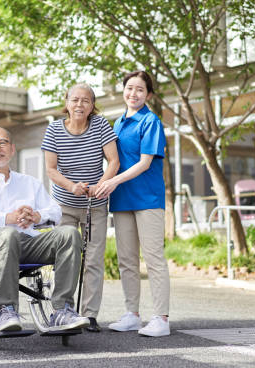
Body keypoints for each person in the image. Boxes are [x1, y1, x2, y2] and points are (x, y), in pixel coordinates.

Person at [0, 127, 90, 332]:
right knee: (9, 233)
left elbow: (55, 211)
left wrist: (36, 216)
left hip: (28, 242)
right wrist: (6, 218)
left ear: (12, 149)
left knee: (69, 233)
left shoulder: (29, 182)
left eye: (2, 143)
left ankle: (62, 310)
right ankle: (5, 309)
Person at [95, 71, 171, 337]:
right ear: (123, 91)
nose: (133, 94)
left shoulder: (151, 121)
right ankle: (132, 314)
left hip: (147, 198)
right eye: (129, 88)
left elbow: (145, 162)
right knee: (127, 260)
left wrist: (113, 181)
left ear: (148, 95)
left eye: (140, 90)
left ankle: (161, 318)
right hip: (121, 199)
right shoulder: (116, 124)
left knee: (153, 259)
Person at [41, 83, 119, 332]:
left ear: (92, 106)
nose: (79, 105)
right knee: (65, 258)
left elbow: (113, 161)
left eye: (86, 101)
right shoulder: (53, 129)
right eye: (75, 100)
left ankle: (90, 315)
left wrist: (101, 184)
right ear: (66, 103)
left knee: (94, 260)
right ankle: (63, 309)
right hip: (64, 204)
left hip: (95, 204)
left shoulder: (100, 126)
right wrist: (72, 186)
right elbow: (51, 170)